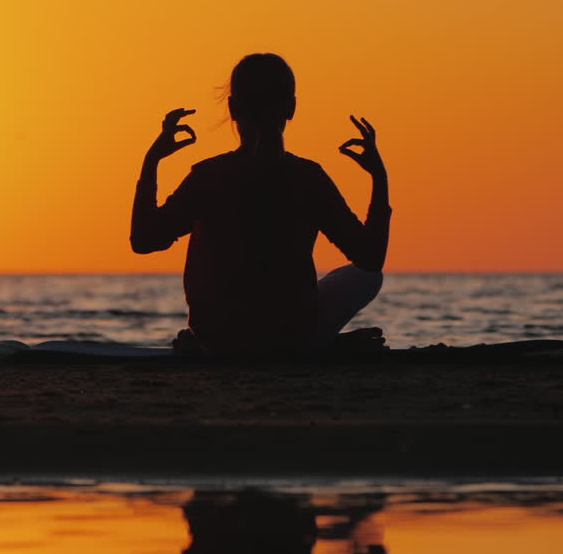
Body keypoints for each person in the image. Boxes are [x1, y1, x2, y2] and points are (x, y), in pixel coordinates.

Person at [130, 53, 390, 357]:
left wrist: (151, 162)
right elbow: (370, 259)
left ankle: (310, 343)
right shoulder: (308, 177)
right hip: (291, 334)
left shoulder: (209, 176)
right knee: (367, 278)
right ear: (291, 108)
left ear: (233, 108)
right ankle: (321, 344)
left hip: (217, 336)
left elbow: (144, 241)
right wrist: (379, 177)